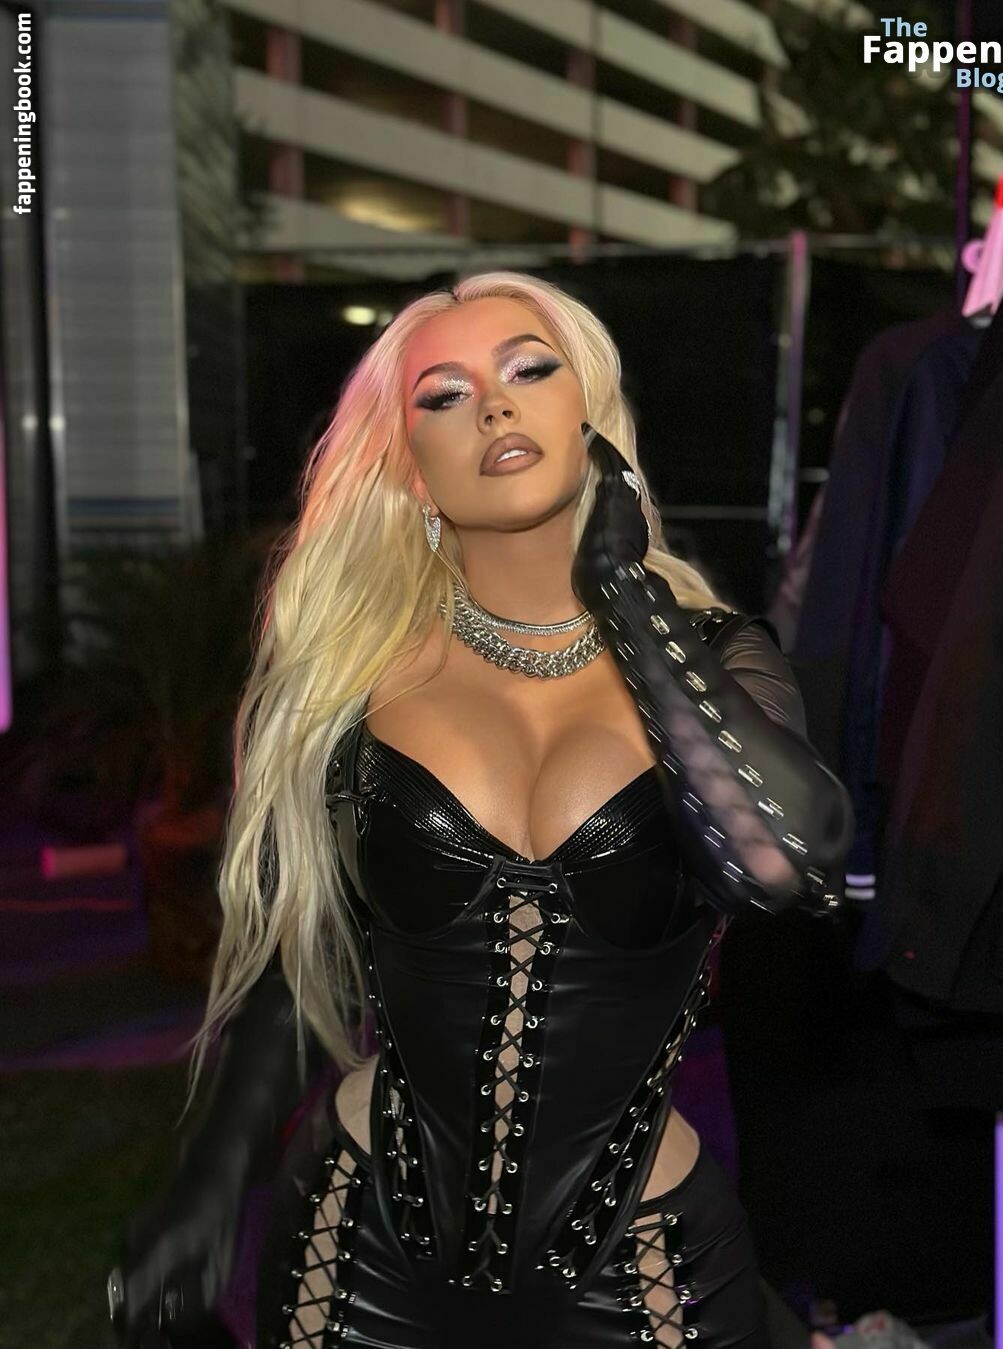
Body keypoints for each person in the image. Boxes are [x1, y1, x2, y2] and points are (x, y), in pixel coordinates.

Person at [109, 272, 853, 1348]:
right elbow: (306, 963)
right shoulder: (358, 675)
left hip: (642, 1261)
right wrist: (212, 1180)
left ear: (590, 415)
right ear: (411, 466)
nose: (494, 405)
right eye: (444, 395)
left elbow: (784, 864)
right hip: (358, 1245)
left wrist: (626, 592)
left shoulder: (712, 663)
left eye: (529, 369)